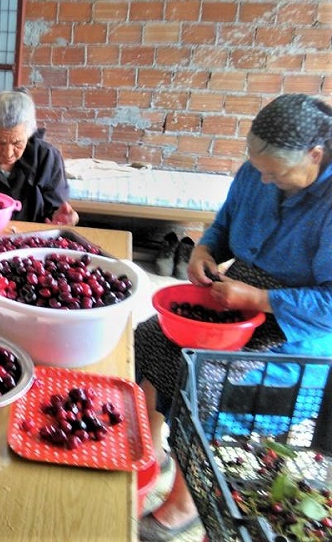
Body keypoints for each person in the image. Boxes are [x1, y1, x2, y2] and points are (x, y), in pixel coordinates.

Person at [135, 93, 332, 541]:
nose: (261, 180)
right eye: (256, 168)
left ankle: (186, 502)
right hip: (234, 293)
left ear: (315, 156)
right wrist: (205, 249)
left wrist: (260, 299)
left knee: (208, 379)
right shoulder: (255, 174)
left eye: (274, 173)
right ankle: (146, 451)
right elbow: (224, 224)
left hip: (296, 326)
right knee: (150, 337)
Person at [0, 88, 79, 225]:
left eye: (17, 143)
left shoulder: (47, 157)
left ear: (29, 134)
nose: (8, 153)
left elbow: (56, 209)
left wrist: (63, 218)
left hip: (34, 240)